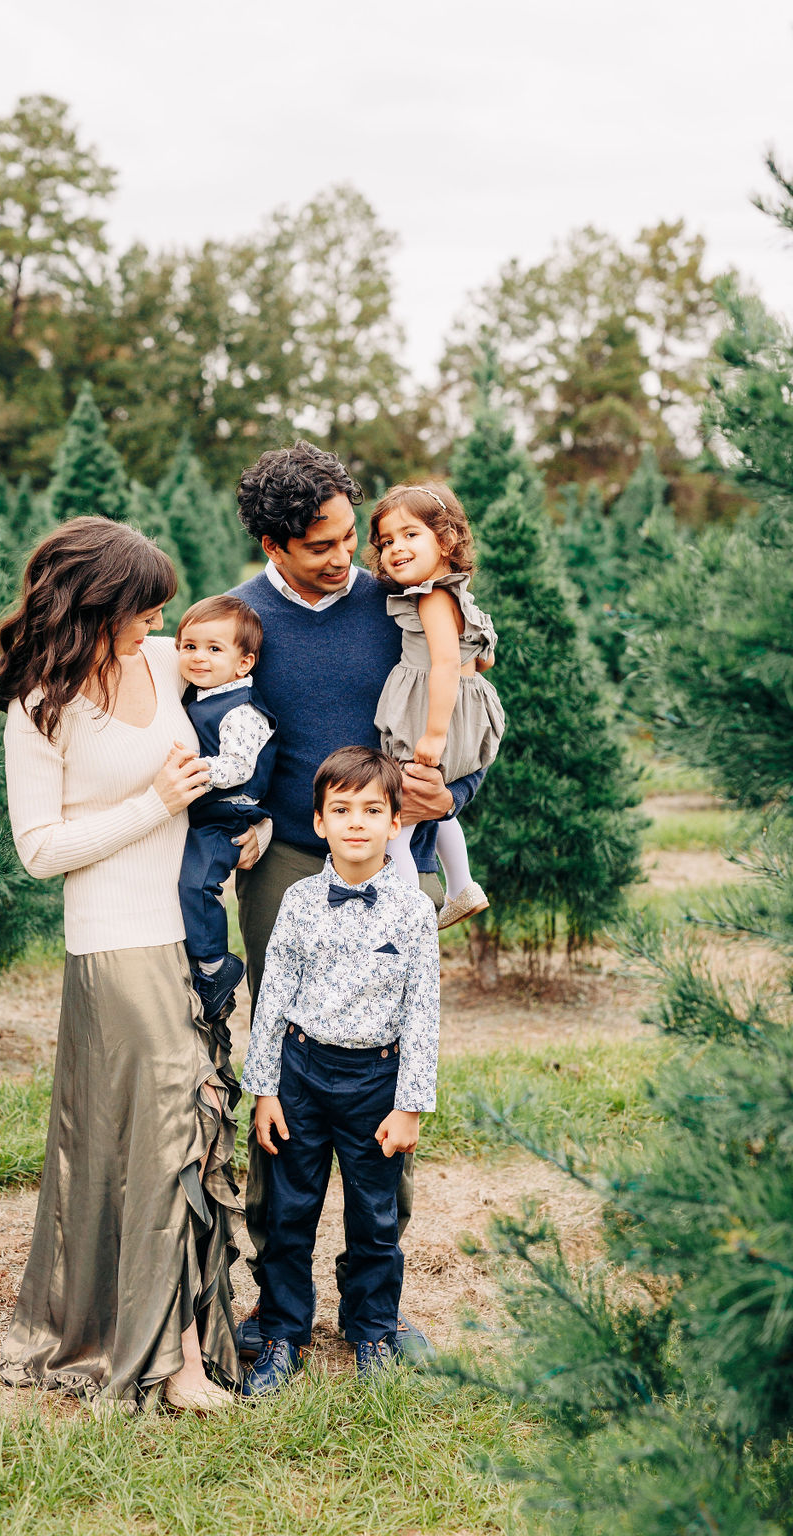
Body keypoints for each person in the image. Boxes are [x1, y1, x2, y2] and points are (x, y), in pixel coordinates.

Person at [229, 441, 486, 1363]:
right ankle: (276, 1304)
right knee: (287, 1055)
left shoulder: (402, 607)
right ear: (274, 542)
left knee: (387, 1047)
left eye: (352, 535)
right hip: (288, 861)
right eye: (324, 546)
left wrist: (451, 798)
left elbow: (462, 721)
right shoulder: (241, 620)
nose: (349, 557)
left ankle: (377, 1307)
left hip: (399, 853)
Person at [0, 516, 254, 1414]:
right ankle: (172, 1361)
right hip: (113, 938)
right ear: (91, 605)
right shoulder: (41, 707)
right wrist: (153, 804)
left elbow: (243, 701)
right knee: (176, 1132)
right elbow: (40, 850)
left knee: (182, 1122)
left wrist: (246, 821)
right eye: (138, 610)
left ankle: (187, 1332)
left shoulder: (166, 662)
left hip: (191, 927)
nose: (154, 626)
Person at [240, 747, 440, 1396]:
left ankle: (372, 1328)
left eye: (372, 810)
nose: (357, 823)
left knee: (375, 1217)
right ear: (320, 823)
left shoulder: (411, 910)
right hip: (301, 1074)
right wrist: (265, 1090)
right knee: (291, 1211)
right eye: (342, 810)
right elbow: (271, 1000)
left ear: (395, 822)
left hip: (375, 1083)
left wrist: (408, 1104)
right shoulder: (299, 901)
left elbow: (423, 1011)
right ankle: (282, 1334)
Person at [370, 482, 504, 928]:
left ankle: (407, 919)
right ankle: (462, 886)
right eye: (387, 541)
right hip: (466, 715)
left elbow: (446, 666)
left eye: (410, 534)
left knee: (396, 833)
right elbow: (482, 659)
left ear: (446, 540)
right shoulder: (460, 595)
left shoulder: (430, 596)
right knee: (435, 806)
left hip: (433, 717)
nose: (396, 548)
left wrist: (433, 734)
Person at [175, 595, 277, 1019]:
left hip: (227, 815)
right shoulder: (197, 697)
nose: (199, 657)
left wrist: (191, 769)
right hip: (203, 811)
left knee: (196, 885)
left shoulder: (241, 711)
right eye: (189, 646)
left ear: (244, 664)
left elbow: (237, 766)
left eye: (214, 649)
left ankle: (216, 966)